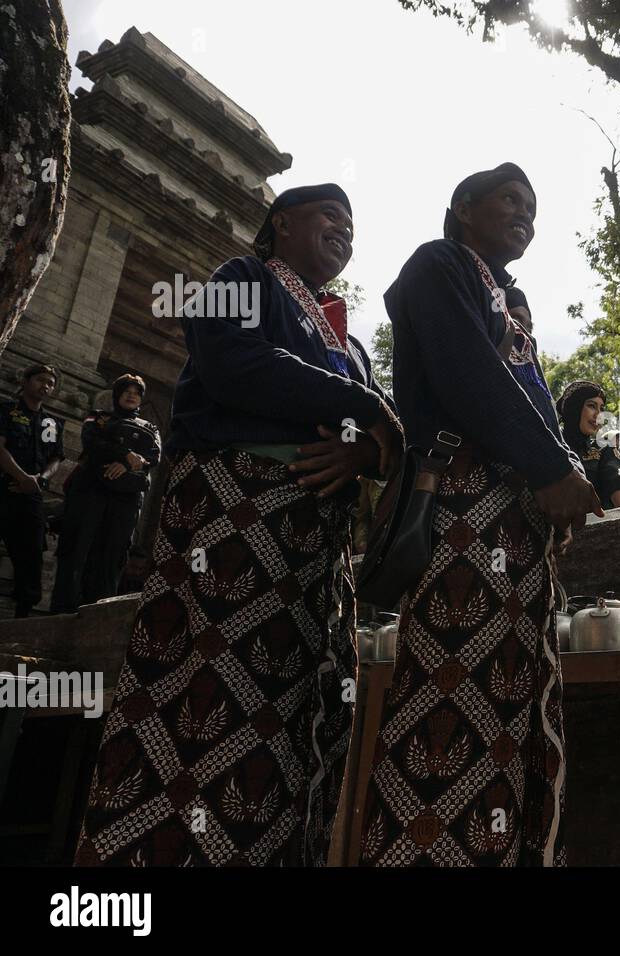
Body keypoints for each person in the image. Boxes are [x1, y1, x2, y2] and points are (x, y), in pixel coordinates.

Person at [76, 183, 402, 867]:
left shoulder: (353, 339)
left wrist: (366, 448)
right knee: (207, 700)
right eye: (328, 217)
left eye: (352, 225)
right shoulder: (241, 278)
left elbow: (379, 437)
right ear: (281, 224)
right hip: (232, 534)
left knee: (302, 718)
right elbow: (233, 363)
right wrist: (364, 405)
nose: (344, 230)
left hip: (317, 558)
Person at [361, 163, 599, 867]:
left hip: (518, 523)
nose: (526, 215)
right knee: (450, 691)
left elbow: (528, 401)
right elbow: (467, 374)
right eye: (510, 201)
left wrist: (567, 467)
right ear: (463, 207)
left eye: (534, 208)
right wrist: (553, 468)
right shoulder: (437, 265)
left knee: (511, 700)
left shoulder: (510, 299)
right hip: (465, 504)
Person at [51, 374, 161, 612]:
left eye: (136, 392)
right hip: (91, 491)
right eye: (127, 390)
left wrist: (130, 463)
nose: (132, 395)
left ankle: (98, 610)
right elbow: (91, 442)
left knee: (113, 554)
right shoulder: (98, 417)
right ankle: (63, 609)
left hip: (127, 497)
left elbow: (154, 456)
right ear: (117, 394)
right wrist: (124, 454)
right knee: (78, 548)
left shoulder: (150, 427)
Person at [0, 364, 63, 617]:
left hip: (32, 496)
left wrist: (40, 480)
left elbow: (56, 458)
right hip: (4, 488)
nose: (45, 386)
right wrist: (21, 476)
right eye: (40, 380)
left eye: (50, 383)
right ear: (26, 381)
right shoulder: (6, 410)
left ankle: (21, 619)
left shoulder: (52, 422)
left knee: (32, 555)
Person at [556, 380, 620, 509]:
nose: (598, 415)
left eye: (601, 409)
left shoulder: (603, 449)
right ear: (574, 408)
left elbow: (615, 482)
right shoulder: (549, 446)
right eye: (591, 406)